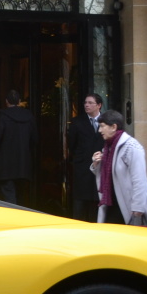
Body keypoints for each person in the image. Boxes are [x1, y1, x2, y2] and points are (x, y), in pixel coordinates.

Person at [90, 109, 147, 226]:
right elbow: (108, 175)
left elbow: (139, 180)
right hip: (112, 204)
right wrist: (96, 164)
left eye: (102, 126)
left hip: (128, 207)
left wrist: (137, 208)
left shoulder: (132, 147)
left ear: (113, 127)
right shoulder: (108, 147)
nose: (100, 130)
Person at [0, 88, 36, 205]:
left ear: (6, 101)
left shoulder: (2, 117)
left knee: (8, 201)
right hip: (23, 165)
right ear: (19, 101)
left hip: (5, 167)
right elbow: (34, 140)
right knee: (21, 198)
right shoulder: (29, 117)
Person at [65, 93, 105, 221]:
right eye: (85, 103)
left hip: (101, 166)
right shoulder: (77, 122)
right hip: (82, 166)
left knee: (97, 198)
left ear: (99, 105)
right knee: (80, 200)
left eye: (90, 103)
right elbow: (72, 144)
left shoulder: (107, 122)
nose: (86, 105)